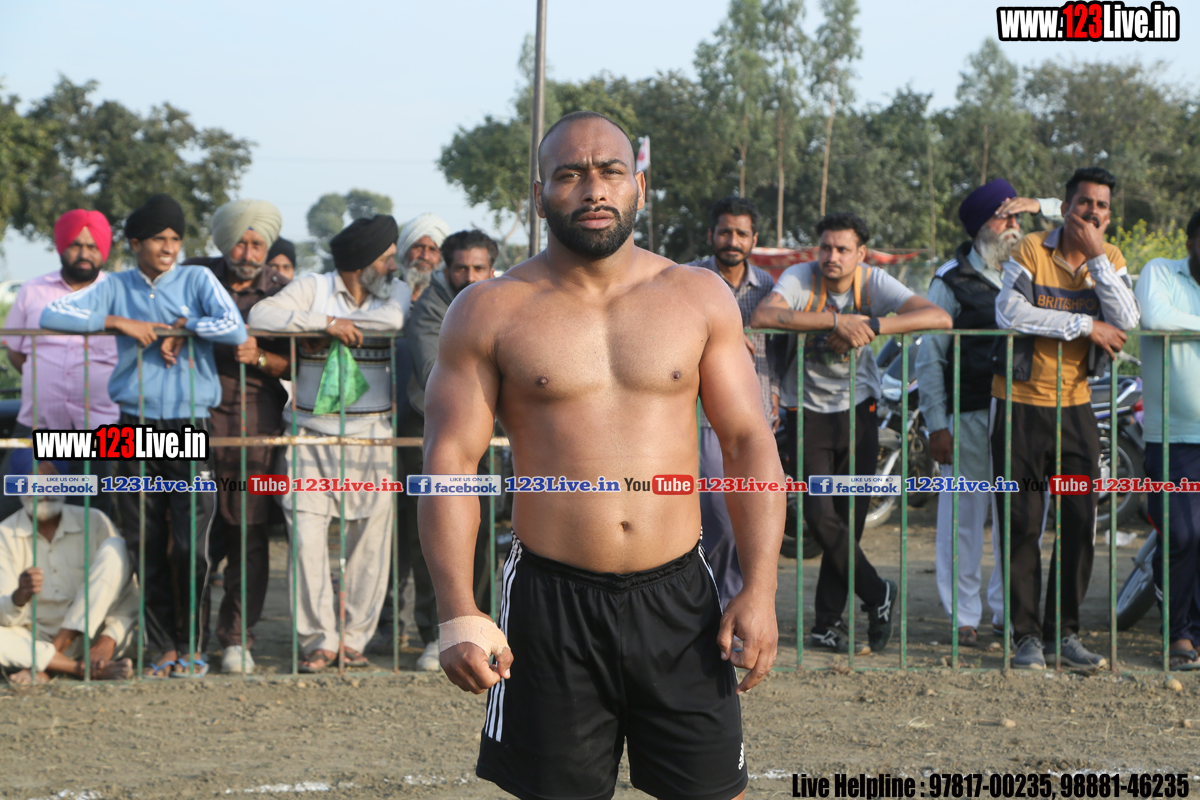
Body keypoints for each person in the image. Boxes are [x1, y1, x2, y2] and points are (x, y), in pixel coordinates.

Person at [422, 110, 783, 800]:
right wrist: (457, 609)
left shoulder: (697, 296)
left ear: (638, 187)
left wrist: (760, 589)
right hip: (549, 604)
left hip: (679, 596)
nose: (593, 189)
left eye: (611, 171)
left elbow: (748, 444)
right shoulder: (488, 309)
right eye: (570, 174)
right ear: (539, 196)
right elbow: (450, 466)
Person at [40, 192, 247, 678]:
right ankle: (163, 646)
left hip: (188, 425)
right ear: (134, 243)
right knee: (144, 540)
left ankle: (192, 643)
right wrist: (117, 322)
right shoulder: (115, 285)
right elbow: (52, 315)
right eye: (158, 239)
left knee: (191, 543)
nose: (169, 247)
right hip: (132, 426)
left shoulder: (197, 280)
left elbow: (234, 329)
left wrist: (186, 327)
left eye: (175, 238)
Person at [751, 212, 952, 654]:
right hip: (806, 412)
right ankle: (878, 592)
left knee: (849, 521)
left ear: (861, 254)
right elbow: (765, 315)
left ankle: (827, 624)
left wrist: (871, 326)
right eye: (826, 247)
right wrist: (834, 323)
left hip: (859, 412)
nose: (832, 256)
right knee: (818, 515)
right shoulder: (801, 277)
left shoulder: (872, 282)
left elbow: (938, 317)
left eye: (843, 249)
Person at [990, 167, 1140, 670]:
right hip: (1019, 404)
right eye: (1084, 203)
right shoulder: (1031, 249)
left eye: (1101, 206)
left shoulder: (1110, 258)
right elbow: (1009, 313)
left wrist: (1096, 257)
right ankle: (1026, 637)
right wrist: (1083, 325)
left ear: (1109, 215)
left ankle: (1064, 634)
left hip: (1075, 406)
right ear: (1067, 206)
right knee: (1022, 523)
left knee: (1079, 520)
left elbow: (1128, 320)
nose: (1092, 212)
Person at [248, 215, 403, 673]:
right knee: (306, 538)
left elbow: (393, 320)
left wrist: (317, 329)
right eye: (386, 258)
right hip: (308, 434)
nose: (393, 266)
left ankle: (353, 640)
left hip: (372, 437)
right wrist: (325, 323)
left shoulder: (393, 291)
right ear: (361, 263)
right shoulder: (313, 287)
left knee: (370, 540)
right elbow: (260, 316)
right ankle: (320, 641)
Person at [916, 180, 1060, 647]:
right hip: (969, 415)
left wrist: (1041, 205)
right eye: (1005, 217)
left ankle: (1006, 610)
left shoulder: (1033, 266)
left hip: (1026, 414)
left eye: (1019, 216)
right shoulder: (950, 280)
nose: (1015, 226)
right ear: (982, 227)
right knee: (964, 515)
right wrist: (937, 424)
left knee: (1019, 515)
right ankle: (964, 615)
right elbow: (930, 359)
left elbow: (1084, 224)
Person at [182, 199, 291, 674]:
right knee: (193, 531)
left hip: (255, 423)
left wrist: (259, 357)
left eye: (257, 244)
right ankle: (189, 638)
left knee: (248, 533)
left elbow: (297, 364)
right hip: (193, 419)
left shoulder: (282, 293)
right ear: (225, 243)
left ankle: (237, 639)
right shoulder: (195, 277)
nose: (248, 253)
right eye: (240, 243)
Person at [395, 229, 498, 671]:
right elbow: (435, 373)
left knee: (486, 530)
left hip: (487, 431)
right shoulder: (428, 310)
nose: (470, 276)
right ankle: (434, 633)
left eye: (479, 268)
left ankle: (484, 626)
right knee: (433, 533)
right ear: (446, 268)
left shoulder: (501, 298)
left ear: (491, 268)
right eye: (461, 268)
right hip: (431, 433)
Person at [687, 196, 780, 606]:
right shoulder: (688, 280)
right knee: (715, 519)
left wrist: (776, 393)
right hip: (702, 418)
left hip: (757, 416)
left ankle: (736, 609)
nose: (733, 240)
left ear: (754, 239)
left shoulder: (769, 288)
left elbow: (779, 352)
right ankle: (713, 604)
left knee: (750, 516)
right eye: (725, 232)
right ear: (711, 235)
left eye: (742, 233)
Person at [0, 209, 120, 521]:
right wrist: (43, 379)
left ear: (103, 251)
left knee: (92, 517)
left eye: (92, 246)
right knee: (13, 510)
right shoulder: (33, 290)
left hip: (97, 430)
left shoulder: (119, 295)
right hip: (38, 424)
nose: (84, 253)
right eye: (76, 245)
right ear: (61, 246)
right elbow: (16, 352)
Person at [0, 453, 139, 685]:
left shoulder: (95, 521)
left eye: (52, 480)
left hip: (94, 641)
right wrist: (19, 597)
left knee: (117, 546)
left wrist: (108, 640)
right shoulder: (4, 535)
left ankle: (47, 664)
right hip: (32, 639)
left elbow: (128, 593)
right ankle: (76, 667)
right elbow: (4, 617)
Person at [1134, 206, 1200, 671]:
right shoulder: (1161, 272)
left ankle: (1190, 632)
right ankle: (1178, 631)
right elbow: (1156, 317)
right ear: (1192, 242)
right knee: (1181, 534)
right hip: (1173, 437)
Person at [393, 213, 450, 314]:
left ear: (441, 257)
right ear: (405, 251)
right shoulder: (387, 294)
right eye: (418, 248)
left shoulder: (448, 302)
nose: (425, 256)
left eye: (433, 250)